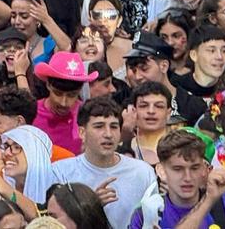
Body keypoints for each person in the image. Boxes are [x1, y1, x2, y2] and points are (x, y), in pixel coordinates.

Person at [52, 96, 157, 229]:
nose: (108, 134)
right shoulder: (60, 172)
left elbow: (153, 219)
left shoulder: (142, 171)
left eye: (114, 127)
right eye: (99, 126)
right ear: (82, 132)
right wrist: (91, 207)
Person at [129, 129, 225, 229]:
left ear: (204, 169)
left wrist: (210, 199)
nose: (187, 178)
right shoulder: (146, 214)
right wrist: (207, 202)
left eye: (194, 168)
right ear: (161, 171)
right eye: (178, 169)